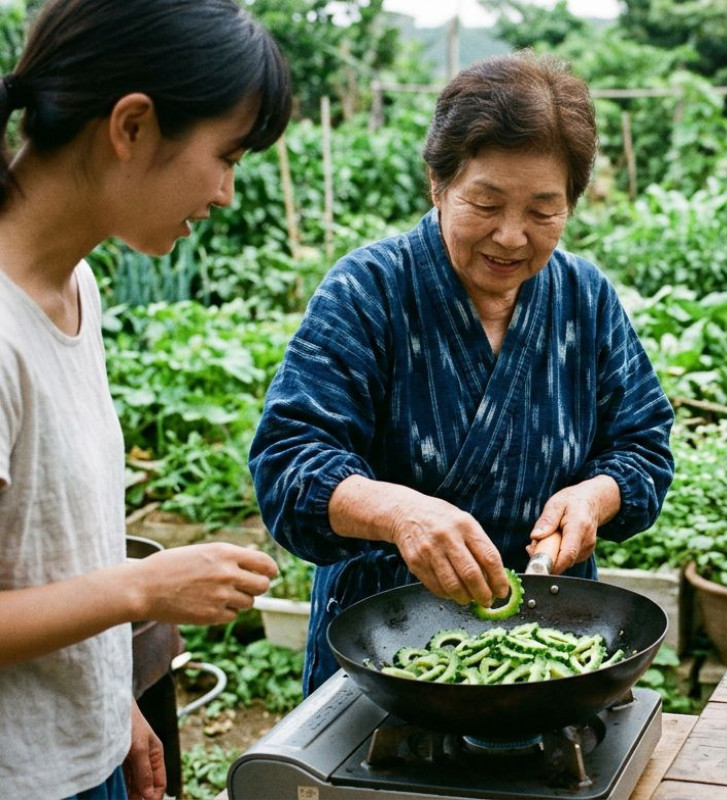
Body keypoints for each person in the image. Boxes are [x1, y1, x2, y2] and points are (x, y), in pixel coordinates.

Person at [249, 52, 676, 695]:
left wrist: (597, 496)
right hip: (387, 654)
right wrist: (398, 513)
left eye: (542, 211)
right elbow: (287, 464)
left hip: (550, 650)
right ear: (438, 183)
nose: (511, 236)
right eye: (486, 202)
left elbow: (644, 444)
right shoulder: (369, 291)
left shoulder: (584, 298)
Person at [0, 1, 291, 798]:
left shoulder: (75, 287)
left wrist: (106, 703)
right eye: (225, 155)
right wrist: (147, 589)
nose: (228, 192)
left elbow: (42, 549)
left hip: (79, 755)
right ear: (131, 126)